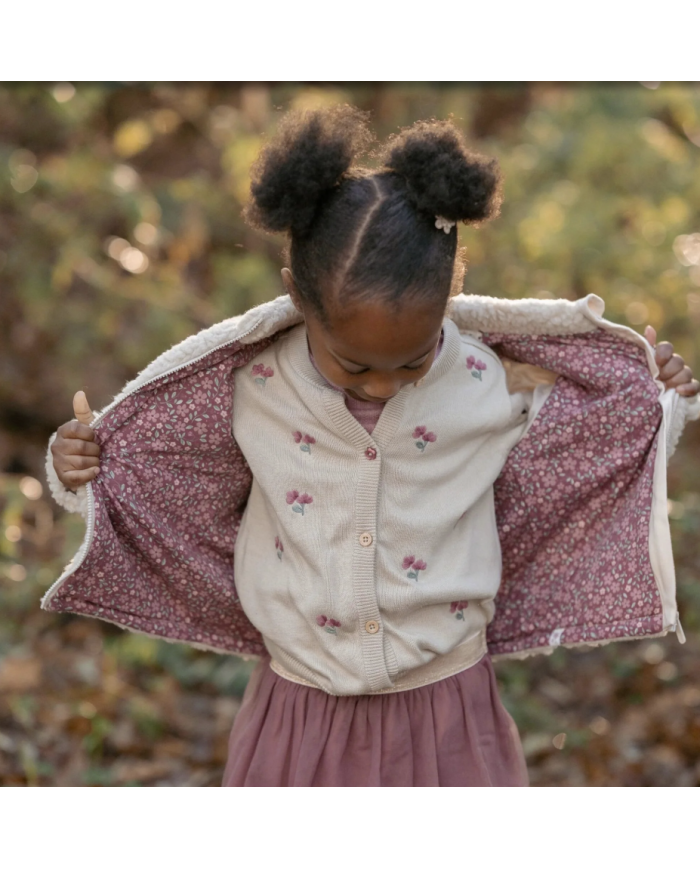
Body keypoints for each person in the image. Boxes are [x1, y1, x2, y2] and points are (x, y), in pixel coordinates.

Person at [45, 106, 700, 786]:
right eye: (357, 366)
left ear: (453, 291)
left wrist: (663, 398)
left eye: (411, 362)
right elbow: (155, 470)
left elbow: (589, 441)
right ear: (298, 296)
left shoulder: (485, 380)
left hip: (446, 705)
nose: (386, 385)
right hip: (299, 707)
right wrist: (78, 470)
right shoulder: (253, 386)